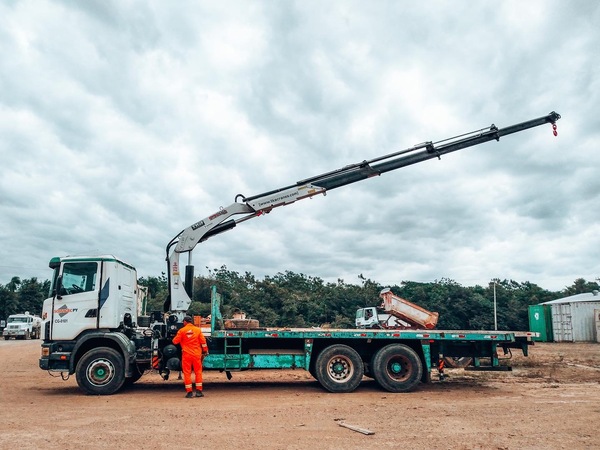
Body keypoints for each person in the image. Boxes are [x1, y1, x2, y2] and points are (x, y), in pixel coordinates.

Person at [172, 315, 209, 398]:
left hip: (186, 355)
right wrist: (205, 350)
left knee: (187, 373)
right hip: (196, 354)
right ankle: (199, 391)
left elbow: (175, 341)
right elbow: (203, 342)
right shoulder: (197, 330)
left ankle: (189, 392)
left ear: (185, 322)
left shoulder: (182, 331)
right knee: (198, 372)